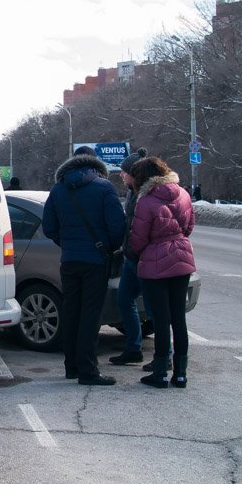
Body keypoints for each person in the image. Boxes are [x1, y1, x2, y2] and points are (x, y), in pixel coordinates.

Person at [42, 145, 127, 386]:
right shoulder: (103, 187)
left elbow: (49, 227)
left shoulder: (58, 189)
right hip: (95, 261)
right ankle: (88, 371)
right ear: (94, 162)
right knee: (90, 315)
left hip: (69, 260)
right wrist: (105, 247)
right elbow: (118, 226)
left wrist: (67, 243)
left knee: (71, 311)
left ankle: (71, 367)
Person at [127, 156, 196, 389]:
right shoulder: (184, 193)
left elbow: (138, 239)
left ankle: (160, 373)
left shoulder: (145, 201)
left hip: (155, 264)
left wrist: (137, 254)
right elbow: (189, 227)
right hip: (183, 258)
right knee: (179, 318)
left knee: (161, 318)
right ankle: (181, 374)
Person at [107, 148, 147, 366]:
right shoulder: (132, 192)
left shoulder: (147, 194)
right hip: (131, 258)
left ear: (135, 173)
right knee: (125, 300)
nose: (121, 175)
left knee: (154, 309)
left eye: (124, 172)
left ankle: (165, 355)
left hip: (146, 260)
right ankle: (134, 348)